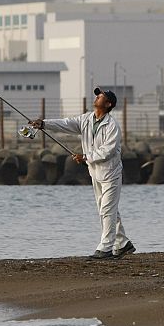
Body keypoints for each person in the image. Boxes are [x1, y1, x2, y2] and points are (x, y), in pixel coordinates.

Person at [30, 87, 135, 259]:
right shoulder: (86, 119)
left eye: (101, 96)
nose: (97, 97)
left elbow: (108, 151)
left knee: (107, 209)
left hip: (111, 173)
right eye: (97, 95)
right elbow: (65, 124)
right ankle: (123, 243)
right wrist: (44, 124)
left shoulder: (112, 126)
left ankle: (106, 248)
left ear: (108, 104)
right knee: (107, 209)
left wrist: (85, 157)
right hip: (95, 173)